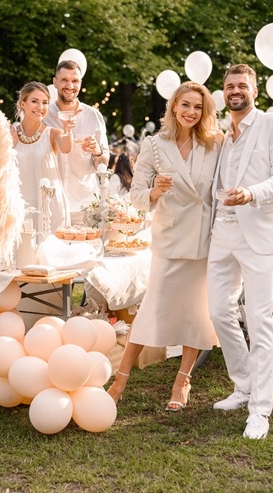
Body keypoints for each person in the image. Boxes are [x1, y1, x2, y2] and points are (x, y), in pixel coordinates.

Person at [107, 81, 221, 411]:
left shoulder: (214, 145)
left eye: (198, 107)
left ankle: (182, 380)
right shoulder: (155, 145)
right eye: (185, 105)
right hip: (169, 240)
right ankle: (120, 379)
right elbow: (137, 198)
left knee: (196, 314)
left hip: (201, 239)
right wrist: (155, 190)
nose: (191, 112)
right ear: (173, 106)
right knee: (151, 309)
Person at [206, 64, 273, 440]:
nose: (235, 91)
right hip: (222, 232)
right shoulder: (223, 135)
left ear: (254, 91)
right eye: (229, 86)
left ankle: (260, 411)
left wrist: (252, 193)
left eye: (242, 85)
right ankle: (243, 385)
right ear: (224, 93)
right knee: (218, 310)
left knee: (259, 322)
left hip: (258, 233)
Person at [45, 60, 110, 224]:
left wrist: (97, 151)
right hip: (51, 205)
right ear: (55, 82)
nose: (70, 85)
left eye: (75, 81)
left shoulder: (93, 116)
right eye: (64, 80)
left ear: (80, 83)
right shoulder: (43, 116)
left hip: (84, 206)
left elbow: (103, 163)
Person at [12, 81, 73, 231]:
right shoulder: (11, 133)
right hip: (21, 207)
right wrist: (9, 145)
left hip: (51, 208)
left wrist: (68, 130)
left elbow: (66, 148)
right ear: (22, 104)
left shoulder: (53, 133)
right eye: (34, 101)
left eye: (45, 102)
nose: (40, 107)